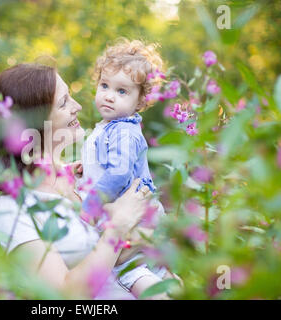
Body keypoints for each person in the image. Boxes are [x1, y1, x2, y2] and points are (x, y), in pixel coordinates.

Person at [0, 63, 157, 299]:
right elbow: (64, 295)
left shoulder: (86, 177)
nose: (77, 106)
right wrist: (117, 227)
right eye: (64, 102)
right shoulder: (14, 209)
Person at [76, 39, 175, 298]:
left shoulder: (123, 131)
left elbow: (119, 173)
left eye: (122, 91)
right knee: (156, 272)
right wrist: (83, 167)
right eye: (105, 85)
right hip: (129, 216)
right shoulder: (110, 127)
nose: (109, 95)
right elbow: (105, 165)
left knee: (135, 274)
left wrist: (89, 207)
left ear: (140, 100)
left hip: (133, 218)